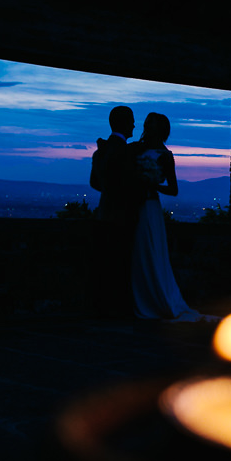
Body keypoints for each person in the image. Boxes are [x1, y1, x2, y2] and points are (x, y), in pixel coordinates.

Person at [128, 112, 209, 322]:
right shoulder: (135, 148)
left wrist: (152, 184)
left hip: (148, 207)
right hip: (133, 205)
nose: (149, 128)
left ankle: (153, 299)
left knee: (148, 251)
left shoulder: (165, 155)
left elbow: (173, 189)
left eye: (153, 125)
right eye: (148, 124)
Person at [90, 105, 143, 318]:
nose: (134, 125)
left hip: (105, 214)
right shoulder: (127, 152)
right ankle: (119, 308)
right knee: (121, 264)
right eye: (131, 120)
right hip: (123, 216)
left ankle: (103, 307)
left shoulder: (100, 150)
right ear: (124, 123)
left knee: (105, 264)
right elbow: (131, 183)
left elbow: (95, 183)